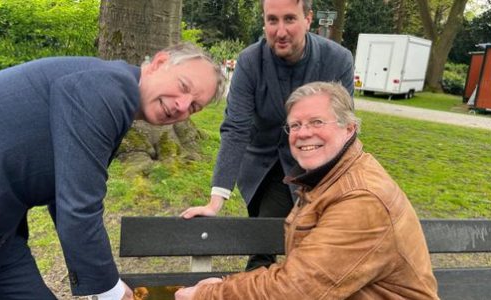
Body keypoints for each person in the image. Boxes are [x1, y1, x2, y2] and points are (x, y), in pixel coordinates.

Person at [0, 43, 225, 300]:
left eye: (194, 107)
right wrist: (111, 288)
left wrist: (107, 282)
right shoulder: (108, 88)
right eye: (182, 86)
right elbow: (79, 206)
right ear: (159, 63)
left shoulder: (114, 94)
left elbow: (65, 193)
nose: (181, 106)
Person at [175, 81, 439, 300]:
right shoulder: (328, 178)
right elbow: (305, 276)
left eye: (316, 122)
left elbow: (296, 289)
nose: (303, 134)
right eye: (296, 125)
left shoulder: (361, 198)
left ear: (349, 128)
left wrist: (208, 294)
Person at [180, 0, 354, 270]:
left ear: (308, 19)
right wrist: (215, 202)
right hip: (261, 167)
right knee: (267, 237)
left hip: (313, 165)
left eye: (290, 19)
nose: (280, 31)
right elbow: (236, 128)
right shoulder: (250, 61)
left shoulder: (337, 60)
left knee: (299, 248)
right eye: (272, 20)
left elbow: (341, 129)